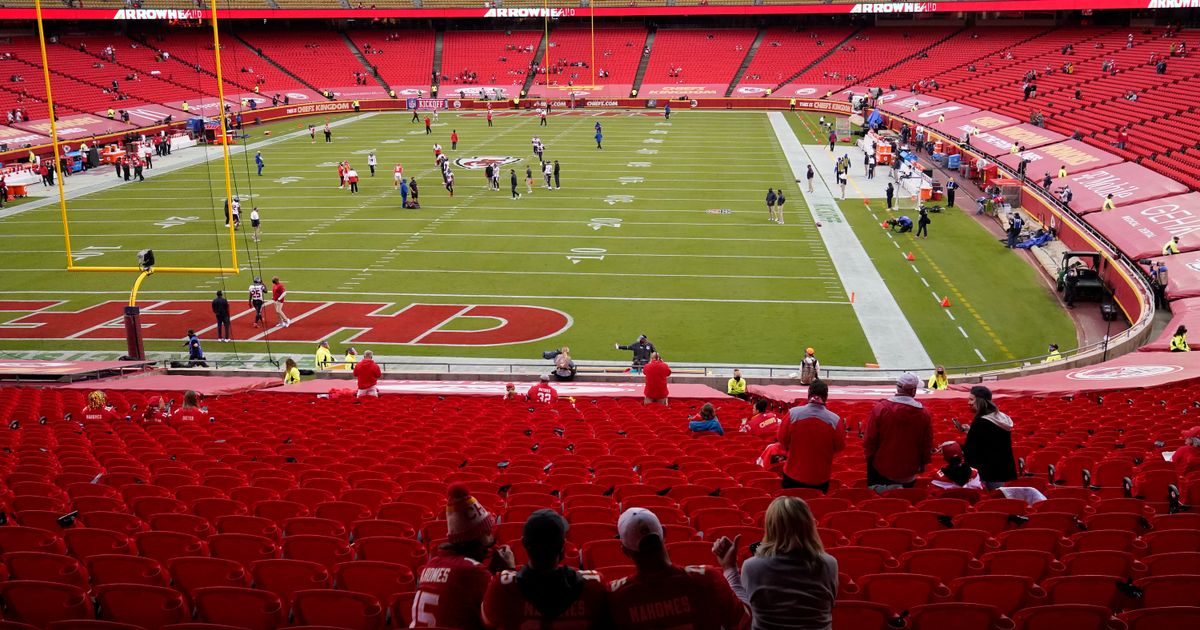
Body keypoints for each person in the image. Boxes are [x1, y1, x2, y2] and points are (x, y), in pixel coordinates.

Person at [606, 508, 746, 630]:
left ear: (624, 551)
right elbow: (745, 622)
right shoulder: (707, 580)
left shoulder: (616, 597)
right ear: (664, 533)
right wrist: (730, 569)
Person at [711, 496, 837, 630]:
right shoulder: (829, 564)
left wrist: (729, 568)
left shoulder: (753, 566)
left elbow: (743, 613)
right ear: (808, 525)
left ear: (771, 526)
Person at [412, 485, 516, 629]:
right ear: (476, 537)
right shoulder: (473, 572)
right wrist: (508, 571)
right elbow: (504, 614)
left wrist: (491, 571)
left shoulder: (431, 565)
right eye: (487, 532)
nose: (491, 538)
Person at [481, 510, 607, 629]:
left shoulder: (502, 587)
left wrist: (509, 570)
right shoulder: (594, 584)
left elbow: (487, 622)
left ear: (524, 544)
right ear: (563, 547)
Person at [863, 373, 933, 489]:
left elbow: (870, 439)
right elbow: (927, 443)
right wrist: (922, 463)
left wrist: (870, 459)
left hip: (882, 466)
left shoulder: (881, 408)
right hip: (909, 468)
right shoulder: (924, 414)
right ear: (913, 391)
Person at [779, 380, 845, 492]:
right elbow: (839, 447)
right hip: (820, 478)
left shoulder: (793, 414)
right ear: (826, 396)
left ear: (808, 394)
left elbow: (782, 439)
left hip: (793, 474)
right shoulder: (835, 420)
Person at [957, 385, 1017, 490]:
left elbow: (970, 450)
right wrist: (971, 432)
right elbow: (989, 440)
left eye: (971, 400)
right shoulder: (1001, 417)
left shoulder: (980, 422)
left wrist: (954, 447)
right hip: (999, 470)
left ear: (980, 401)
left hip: (984, 472)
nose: (969, 403)